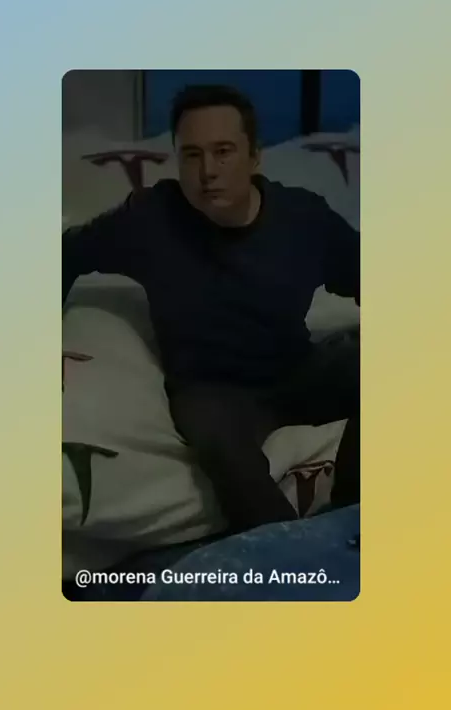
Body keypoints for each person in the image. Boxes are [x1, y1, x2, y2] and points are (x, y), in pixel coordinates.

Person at [62, 84, 360, 533]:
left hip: (297, 371)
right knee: (220, 442)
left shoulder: (302, 218)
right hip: (212, 389)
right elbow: (66, 255)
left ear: (254, 157)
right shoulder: (150, 219)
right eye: (192, 155)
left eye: (223, 152)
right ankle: (289, 556)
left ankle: (350, 517)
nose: (207, 172)